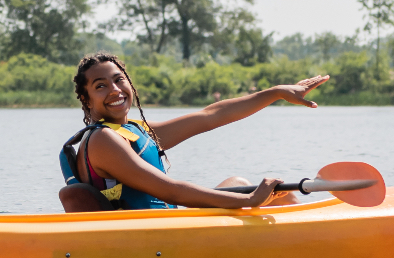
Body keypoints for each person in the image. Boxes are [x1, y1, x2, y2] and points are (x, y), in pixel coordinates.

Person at [58, 52, 331, 212]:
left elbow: (211, 116)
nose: (115, 90)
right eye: (101, 86)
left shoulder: (131, 132)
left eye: (119, 80)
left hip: (168, 224)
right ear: (86, 99)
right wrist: (249, 199)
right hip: (153, 237)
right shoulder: (104, 140)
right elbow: (170, 191)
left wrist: (278, 93)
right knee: (278, 198)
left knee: (238, 181)